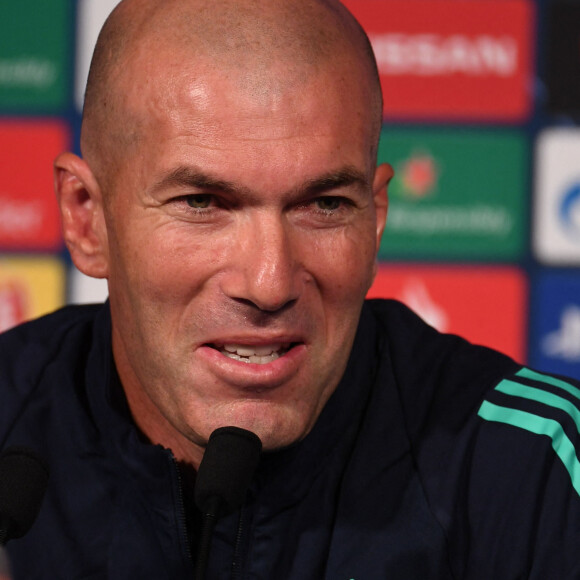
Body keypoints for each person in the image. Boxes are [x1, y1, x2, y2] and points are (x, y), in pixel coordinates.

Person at [0, 0, 579, 577]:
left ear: (375, 220)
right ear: (86, 218)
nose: (269, 283)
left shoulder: (533, 472)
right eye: (202, 204)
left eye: (324, 205)